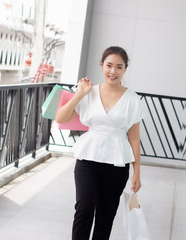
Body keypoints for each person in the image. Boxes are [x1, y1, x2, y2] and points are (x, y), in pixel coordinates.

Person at [55, 46, 144, 239]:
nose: (113, 71)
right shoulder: (89, 92)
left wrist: (137, 171)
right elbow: (60, 117)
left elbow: (134, 137)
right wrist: (80, 94)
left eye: (119, 67)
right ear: (101, 65)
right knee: (84, 210)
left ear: (125, 69)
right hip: (88, 159)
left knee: (106, 216)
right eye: (109, 65)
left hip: (117, 164)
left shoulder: (133, 99)